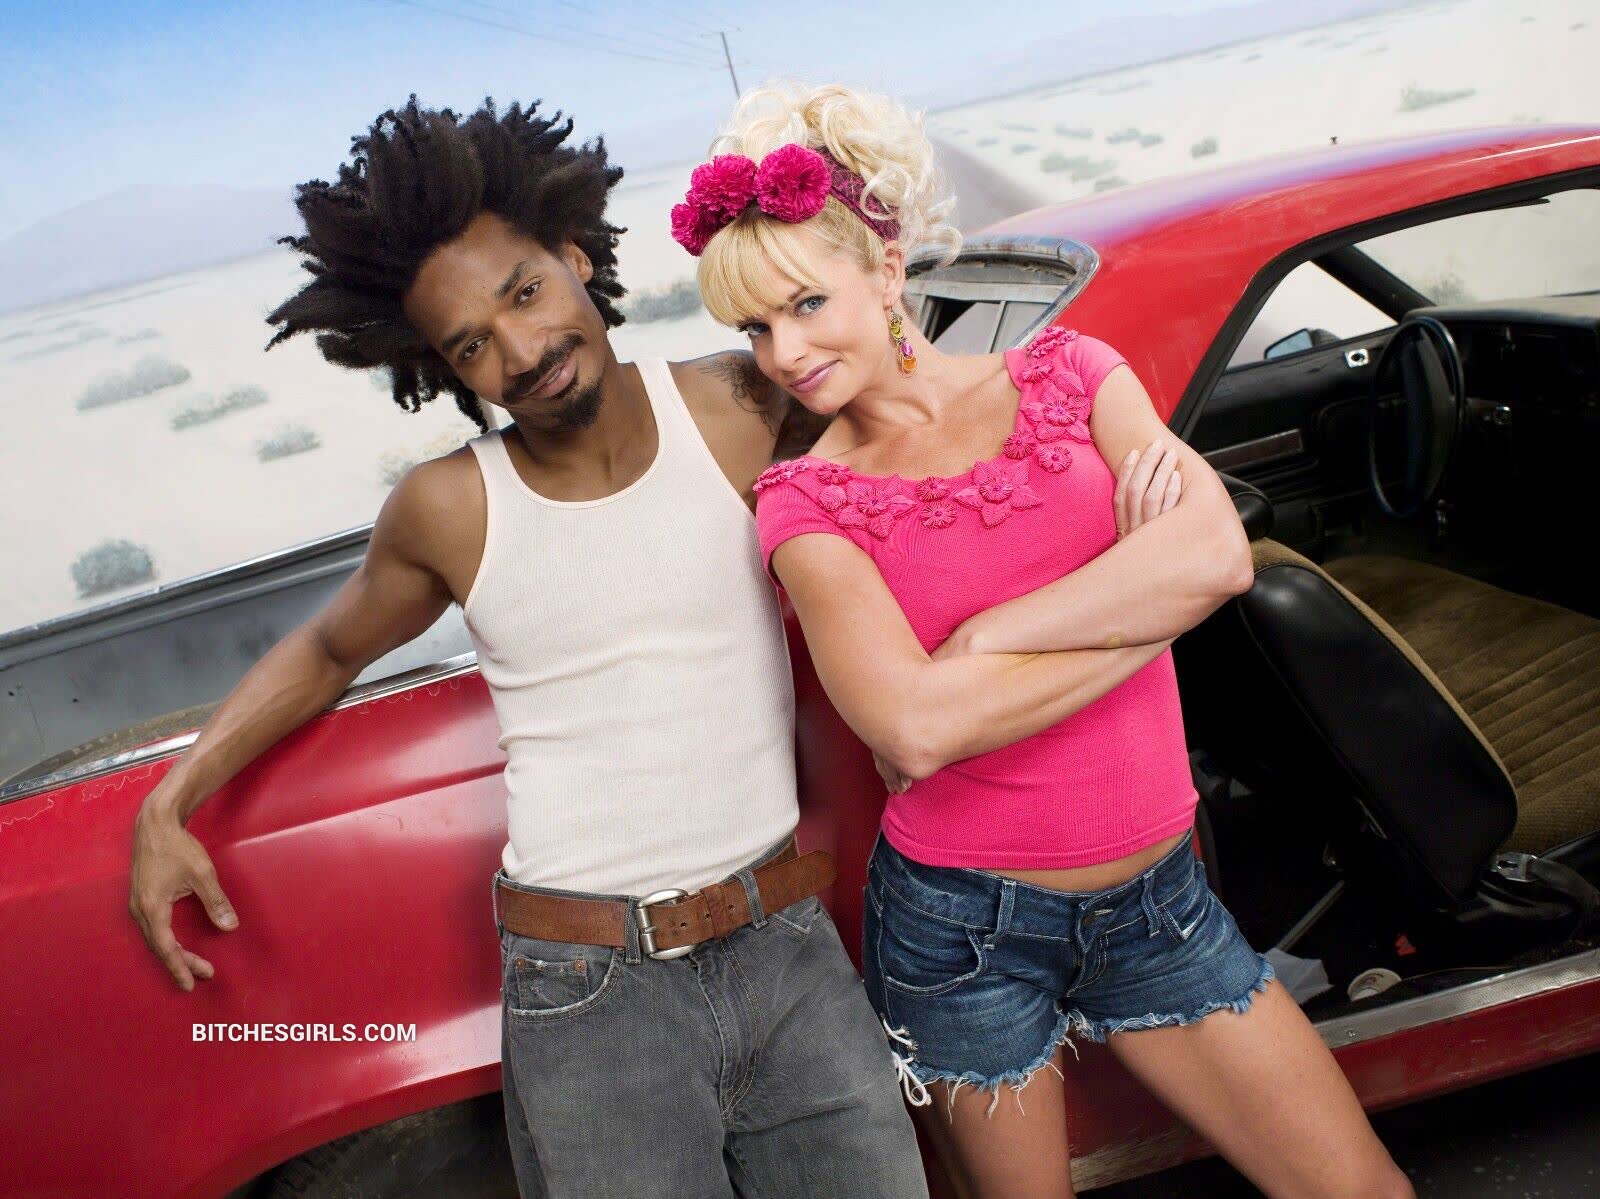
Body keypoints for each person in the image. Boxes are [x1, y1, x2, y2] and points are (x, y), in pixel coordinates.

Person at [127, 96, 932, 1199]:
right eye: (471, 343)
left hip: (784, 940)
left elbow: (911, 438)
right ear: (442, 366)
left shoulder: (739, 406)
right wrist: (169, 802)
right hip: (591, 990)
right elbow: (324, 649)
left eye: (524, 293)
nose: (521, 350)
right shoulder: (451, 508)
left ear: (573, 256)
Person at [680, 81, 1415, 1199]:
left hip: (1162, 905)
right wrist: (1145, 603)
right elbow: (915, 730)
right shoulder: (805, 499)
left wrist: (991, 636)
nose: (783, 351)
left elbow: (1217, 557)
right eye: (755, 327)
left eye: (805, 303)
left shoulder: (1071, 372)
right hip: (962, 934)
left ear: (887, 271)